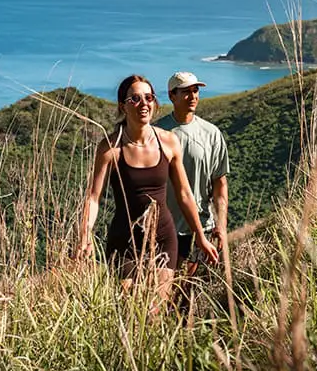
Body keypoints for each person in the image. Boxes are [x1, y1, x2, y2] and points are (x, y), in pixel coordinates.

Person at [77, 74, 218, 304]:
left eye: (148, 97)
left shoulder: (169, 142)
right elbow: (93, 198)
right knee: (129, 311)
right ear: (122, 106)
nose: (143, 104)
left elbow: (184, 194)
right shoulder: (111, 148)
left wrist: (201, 237)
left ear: (154, 102)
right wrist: (85, 236)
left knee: (155, 312)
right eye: (135, 99)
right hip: (125, 241)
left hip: (163, 237)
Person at [155, 71, 230, 275]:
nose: (193, 96)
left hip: (202, 229)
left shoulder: (211, 134)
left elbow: (220, 184)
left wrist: (221, 226)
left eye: (195, 90)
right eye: (186, 92)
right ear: (172, 96)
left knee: (189, 295)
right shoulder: (156, 132)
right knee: (162, 295)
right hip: (163, 229)